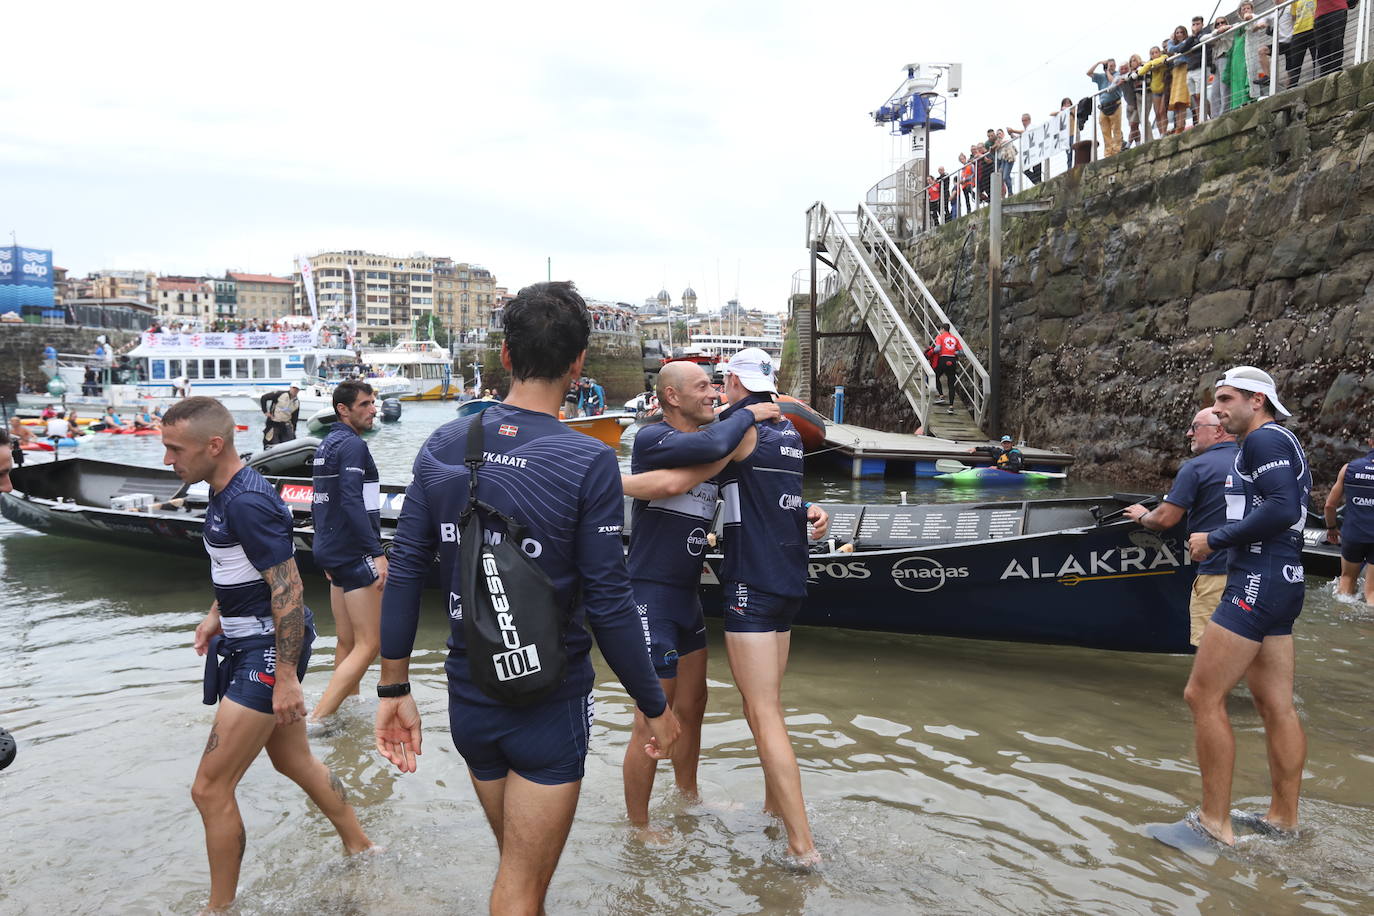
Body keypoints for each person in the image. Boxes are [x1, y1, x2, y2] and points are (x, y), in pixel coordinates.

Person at [376, 281, 680, 914]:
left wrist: (394, 689)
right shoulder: (586, 460)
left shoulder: (440, 446)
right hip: (549, 700)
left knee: (518, 874)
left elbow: (404, 569)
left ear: (506, 357)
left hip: (469, 695)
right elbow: (609, 599)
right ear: (578, 364)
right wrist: (654, 704)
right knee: (520, 888)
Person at [162, 397, 372, 914]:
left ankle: (219, 909)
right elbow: (244, 567)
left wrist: (284, 679)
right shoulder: (222, 490)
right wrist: (216, 614)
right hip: (246, 640)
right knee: (294, 760)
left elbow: (289, 590)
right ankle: (363, 847)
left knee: (209, 789)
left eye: (175, 449)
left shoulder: (246, 502)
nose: (168, 460)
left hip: (265, 651)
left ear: (215, 445)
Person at [617, 360, 789, 835]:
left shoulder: (714, 444)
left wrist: (811, 509)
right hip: (649, 593)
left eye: (716, 385)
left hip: (686, 596)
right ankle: (639, 827)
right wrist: (752, 414)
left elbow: (762, 490)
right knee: (653, 718)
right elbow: (681, 476)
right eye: (702, 387)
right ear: (671, 397)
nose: (713, 392)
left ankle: (687, 801)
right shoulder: (654, 437)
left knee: (694, 707)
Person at [1179, 366, 1311, 846]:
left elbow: (1282, 507)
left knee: (1201, 695)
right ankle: (1283, 819)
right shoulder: (1279, 441)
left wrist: (1214, 538)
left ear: (1258, 400)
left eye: (1226, 398)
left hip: (1258, 578)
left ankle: (1214, 824)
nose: (1218, 408)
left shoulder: (1264, 441)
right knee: (1275, 704)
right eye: (1217, 400)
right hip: (1284, 579)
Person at [1124, 408, 1238, 646]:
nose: (1189, 433)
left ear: (1219, 430)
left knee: (1211, 649)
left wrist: (1143, 516)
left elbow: (1165, 519)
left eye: (1195, 427)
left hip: (1216, 571)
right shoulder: (1251, 461)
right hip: (1254, 571)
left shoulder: (1197, 467)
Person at [310, 381, 387, 722]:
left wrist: (324, 550)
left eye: (373, 402)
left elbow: (321, 502)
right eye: (365, 404)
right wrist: (377, 552)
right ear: (343, 409)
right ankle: (319, 719)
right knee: (370, 644)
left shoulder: (326, 444)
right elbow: (353, 500)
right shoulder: (353, 446)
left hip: (333, 550)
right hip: (356, 552)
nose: (373, 409)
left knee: (347, 640)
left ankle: (346, 709)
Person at [1323, 435, 1374, 605]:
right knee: (1372, 590)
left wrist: (1331, 528)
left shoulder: (1349, 468)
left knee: (1346, 580)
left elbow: (1330, 505)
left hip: (1353, 535)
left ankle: (1341, 622)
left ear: (1370, 442)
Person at [1087, 59, 1124, 158]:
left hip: (1115, 104)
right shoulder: (1101, 77)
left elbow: (1114, 81)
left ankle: (1116, 150)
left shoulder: (1117, 74)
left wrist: (1108, 71)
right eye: (1109, 66)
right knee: (1105, 131)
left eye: (1112, 66)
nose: (1111, 67)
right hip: (1103, 107)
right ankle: (1108, 153)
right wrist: (1098, 63)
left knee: (1116, 129)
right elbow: (1089, 73)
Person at [931, 324, 963, 414]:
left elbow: (937, 349)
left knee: (934, 376)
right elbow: (961, 352)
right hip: (952, 361)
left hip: (943, 360)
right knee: (951, 384)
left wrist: (931, 352)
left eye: (940, 329)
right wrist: (953, 352)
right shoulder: (955, 339)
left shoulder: (940, 337)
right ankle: (951, 407)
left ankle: (941, 396)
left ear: (942, 329)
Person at [1313, 0, 1349, 77]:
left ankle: (1335, 69)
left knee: (1336, 41)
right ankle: (1325, 72)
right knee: (1321, 46)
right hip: (1320, 13)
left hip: (1337, 9)